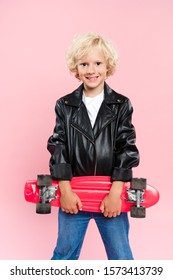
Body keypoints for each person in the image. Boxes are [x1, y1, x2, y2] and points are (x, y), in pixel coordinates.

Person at [47, 32, 139, 260]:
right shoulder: (65, 105)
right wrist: (65, 191)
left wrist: (116, 193)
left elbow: (126, 148)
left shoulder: (121, 105)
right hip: (74, 195)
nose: (91, 70)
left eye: (98, 63)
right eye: (84, 64)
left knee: (121, 257)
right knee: (64, 256)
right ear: (75, 68)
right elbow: (59, 147)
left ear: (108, 66)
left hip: (110, 194)